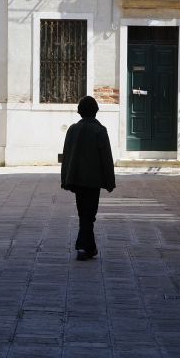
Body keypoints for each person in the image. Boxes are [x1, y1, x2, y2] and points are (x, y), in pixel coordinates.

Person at [61, 95, 116, 261]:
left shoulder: (72, 130)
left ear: (80, 112)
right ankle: (82, 247)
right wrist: (109, 182)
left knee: (83, 214)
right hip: (93, 181)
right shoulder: (100, 130)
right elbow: (106, 158)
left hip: (77, 179)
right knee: (88, 215)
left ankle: (90, 248)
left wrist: (65, 179)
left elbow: (67, 156)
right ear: (96, 111)